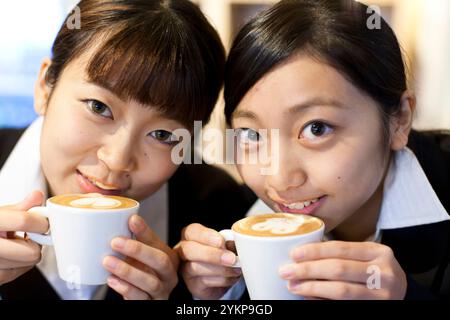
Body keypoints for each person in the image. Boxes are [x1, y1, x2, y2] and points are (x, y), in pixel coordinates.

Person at [177, 0, 450, 299]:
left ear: (400, 120)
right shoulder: (230, 220)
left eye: (316, 128)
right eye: (251, 134)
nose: (279, 179)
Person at [0, 0, 254, 300]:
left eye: (162, 134)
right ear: (45, 86)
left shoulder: (220, 219)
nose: (118, 160)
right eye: (99, 107)